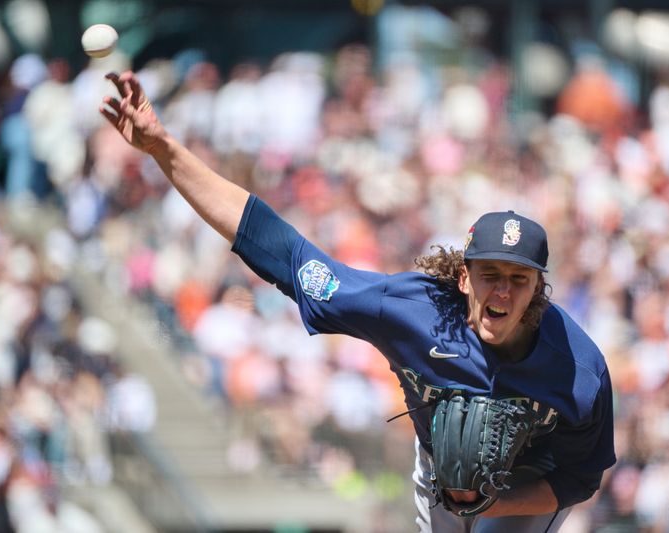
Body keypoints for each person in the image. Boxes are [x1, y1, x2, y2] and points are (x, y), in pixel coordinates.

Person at [100, 70, 616, 532]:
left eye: (518, 280)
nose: (502, 291)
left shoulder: (579, 371)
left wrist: (491, 506)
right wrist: (164, 147)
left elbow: (580, 476)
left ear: (538, 290)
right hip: (442, 472)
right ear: (463, 278)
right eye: (490, 275)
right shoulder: (412, 313)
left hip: (530, 486)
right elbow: (278, 247)